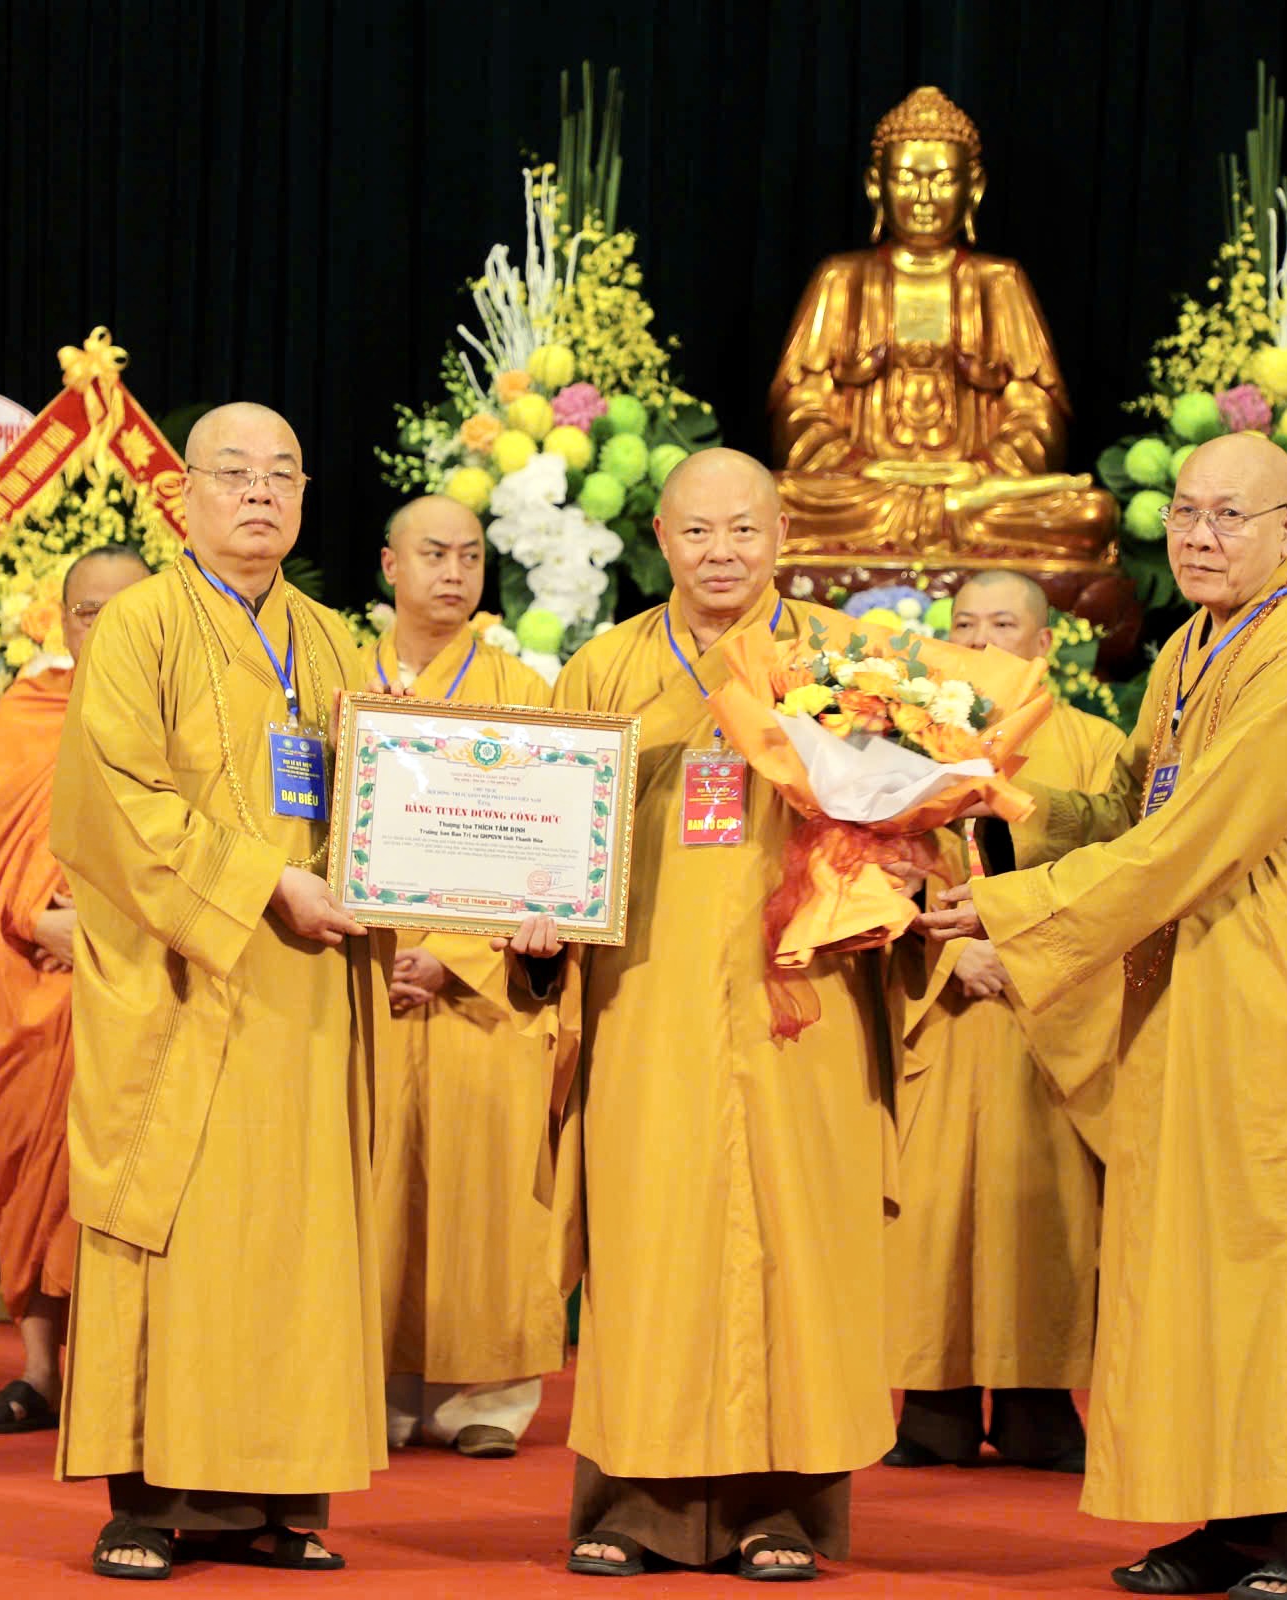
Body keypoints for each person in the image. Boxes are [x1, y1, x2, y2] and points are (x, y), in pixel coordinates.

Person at [923, 433, 1287, 1598]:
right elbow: (1130, 806)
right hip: (1199, 986)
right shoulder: (1194, 645)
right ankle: (1240, 1519)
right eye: (1185, 513)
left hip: (1284, 995)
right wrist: (1000, 800)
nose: (1199, 536)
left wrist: (1015, 907)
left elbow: (1199, 835)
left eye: (1228, 516)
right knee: (1208, 1257)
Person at [51, 403, 382, 1577]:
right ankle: (147, 1500)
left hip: (308, 990)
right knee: (178, 1233)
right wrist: (265, 886)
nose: (259, 493)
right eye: (234, 473)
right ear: (182, 492)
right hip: (183, 982)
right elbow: (112, 803)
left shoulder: (334, 641)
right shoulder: (138, 627)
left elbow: (387, 801)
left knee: (296, 1239)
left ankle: (281, 1502)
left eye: (282, 474)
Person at [555, 447, 891, 1581]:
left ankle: (782, 1512)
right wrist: (531, 917)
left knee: (797, 1251)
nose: (721, 553)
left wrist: (901, 882)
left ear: (783, 532)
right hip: (644, 1006)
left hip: (803, 1004)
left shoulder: (844, 661)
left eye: (744, 529)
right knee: (651, 1248)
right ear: (660, 537)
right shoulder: (605, 667)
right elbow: (548, 829)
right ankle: (633, 1505)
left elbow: (913, 828)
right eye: (697, 531)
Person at [883, 570, 1119, 1473]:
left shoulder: (1094, 747)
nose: (980, 641)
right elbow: (866, 870)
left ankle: (1038, 1402)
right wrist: (948, 953)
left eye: (1003, 624)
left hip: (1053, 1012)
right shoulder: (903, 743)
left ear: (1045, 642)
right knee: (933, 1207)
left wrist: (1021, 944)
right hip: (938, 1006)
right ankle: (933, 1402)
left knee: (1045, 1206)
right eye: (965, 625)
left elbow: (1122, 869)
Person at [362, 496, 565, 1458]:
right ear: (389, 566)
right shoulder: (338, 680)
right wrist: (371, 953)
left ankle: (491, 1393)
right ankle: (377, 1386)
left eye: (470, 556)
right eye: (433, 553)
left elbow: (547, 847)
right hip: (360, 972)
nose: (453, 572)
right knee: (374, 1187)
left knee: (488, 1185)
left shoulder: (524, 690)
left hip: (482, 985)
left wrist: (454, 954)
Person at [0, 545, 150, 1433]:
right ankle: (39, 1373)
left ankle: (130, 1380)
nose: (101, 626)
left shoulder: (182, 708)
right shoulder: (28, 713)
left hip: (145, 975)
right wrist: (35, 917)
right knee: (31, 1154)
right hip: (37, 979)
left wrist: (109, 928)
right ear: (63, 620)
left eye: (123, 610)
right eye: (86, 610)